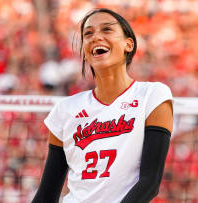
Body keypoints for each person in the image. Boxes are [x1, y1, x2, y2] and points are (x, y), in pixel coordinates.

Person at [32, 8, 174, 203]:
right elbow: (47, 194)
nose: (96, 37)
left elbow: (150, 183)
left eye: (107, 30)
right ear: (84, 52)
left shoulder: (152, 95)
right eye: (88, 34)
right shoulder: (65, 110)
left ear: (128, 44)